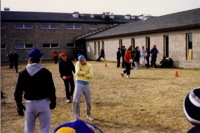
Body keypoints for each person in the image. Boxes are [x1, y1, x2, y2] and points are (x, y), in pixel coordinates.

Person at [14, 48, 56, 133]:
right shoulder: (46, 72)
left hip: (29, 104)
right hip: (43, 103)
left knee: (29, 129)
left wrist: (19, 104)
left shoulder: (23, 73)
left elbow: (18, 91)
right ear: (40, 59)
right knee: (45, 129)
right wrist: (53, 100)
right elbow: (51, 89)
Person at [73, 55, 94, 121]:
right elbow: (77, 72)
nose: (82, 62)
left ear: (85, 59)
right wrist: (85, 73)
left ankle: (89, 114)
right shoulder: (78, 63)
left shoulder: (89, 65)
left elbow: (91, 75)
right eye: (81, 61)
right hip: (78, 82)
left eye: (83, 60)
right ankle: (76, 116)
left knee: (88, 100)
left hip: (86, 84)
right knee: (76, 100)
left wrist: (82, 73)